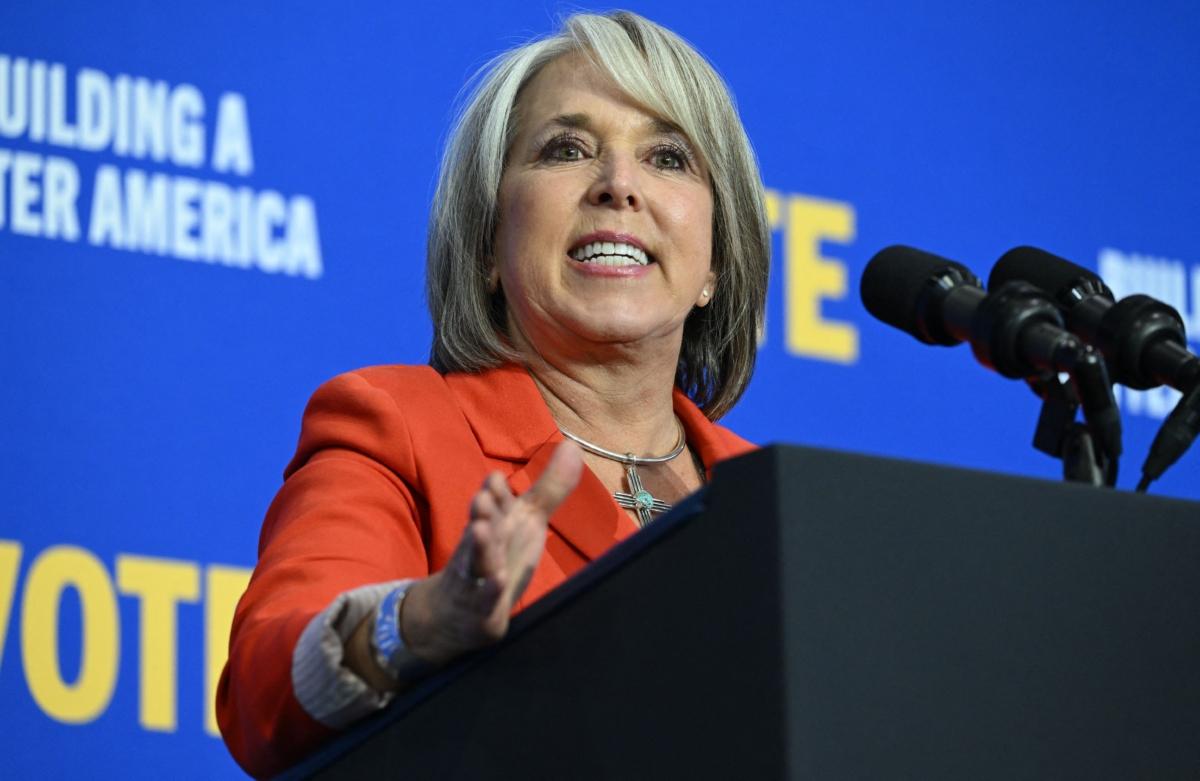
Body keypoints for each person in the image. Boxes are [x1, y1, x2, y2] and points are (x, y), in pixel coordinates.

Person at [216, 10, 770, 778]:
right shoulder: (397, 426)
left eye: (668, 156)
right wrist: (421, 622)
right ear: (486, 243)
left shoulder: (771, 501)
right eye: (567, 149)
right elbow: (264, 689)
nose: (619, 185)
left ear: (714, 262)